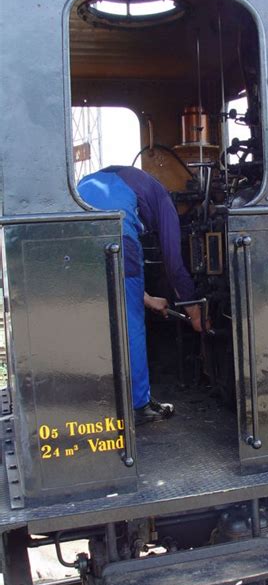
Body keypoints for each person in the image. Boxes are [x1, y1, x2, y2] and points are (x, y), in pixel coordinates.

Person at [78, 166, 202, 425]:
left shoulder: (115, 178)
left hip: (74, 227)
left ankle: (89, 402)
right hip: (118, 234)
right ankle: (139, 405)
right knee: (131, 323)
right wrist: (194, 311)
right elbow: (173, 263)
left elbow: (122, 282)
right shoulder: (163, 198)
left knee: (91, 315)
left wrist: (148, 299)